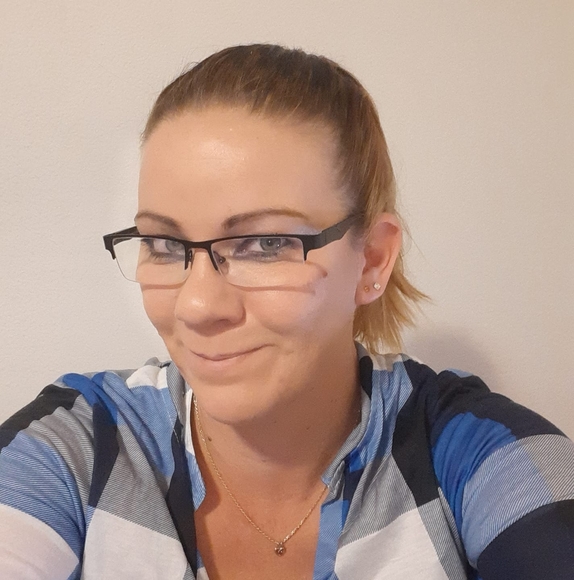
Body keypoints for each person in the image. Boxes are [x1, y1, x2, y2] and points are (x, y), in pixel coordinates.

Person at [0, 44, 573, 580]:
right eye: (164, 245)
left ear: (372, 260)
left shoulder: (470, 452)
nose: (197, 307)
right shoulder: (78, 446)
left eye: (266, 244)